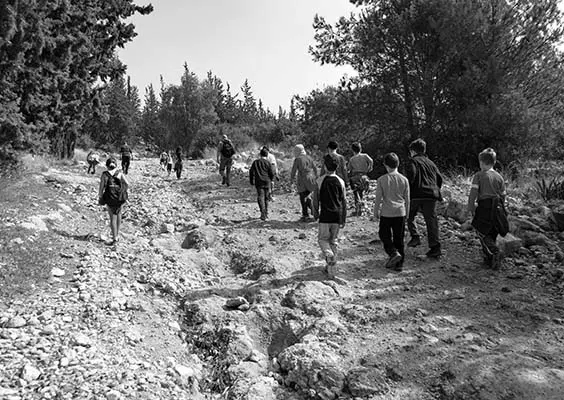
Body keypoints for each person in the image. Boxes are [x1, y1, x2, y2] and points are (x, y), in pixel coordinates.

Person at [467, 148, 508, 270]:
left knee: (481, 232)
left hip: (484, 207)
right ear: (494, 162)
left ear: (481, 162)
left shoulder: (479, 175)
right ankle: (489, 260)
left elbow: (473, 193)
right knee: (493, 232)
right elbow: (503, 195)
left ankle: (495, 252)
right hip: (498, 207)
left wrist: (471, 208)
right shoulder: (499, 177)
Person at [405, 138, 443, 258]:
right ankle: (435, 247)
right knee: (431, 220)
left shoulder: (413, 161)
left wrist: (407, 192)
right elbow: (439, 178)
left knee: (409, 215)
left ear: (413, 151)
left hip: (416, 193)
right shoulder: (431, 163)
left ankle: (415, 236)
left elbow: (411, 176)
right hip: (431, 194)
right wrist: (436, 189)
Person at [373, 153, 410, 271]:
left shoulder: (382, 180)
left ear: (385, 165)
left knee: (384, 235)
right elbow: (407, 199)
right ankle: (400, 264)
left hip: (386, 212)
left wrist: (375, 213)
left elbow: (378, 198)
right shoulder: (404, 179)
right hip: (400, 212)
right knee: (399, 238)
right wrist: (407, 213)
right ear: (398, 164)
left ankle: (393, 253)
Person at [312, 154, 347, 279]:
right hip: (337, 216)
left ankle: (328, 253)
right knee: (333, 241)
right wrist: (343, 218)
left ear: (325, 167)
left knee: (323, 240)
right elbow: (344, 201)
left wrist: (315, 213)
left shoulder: (320, 181)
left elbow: (315, 200)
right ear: (337, 167)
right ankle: (331, 270)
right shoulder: (341, 181)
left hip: (325, 216)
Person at [98, 157, 128, 245]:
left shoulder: (105, 174)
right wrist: (123, 191)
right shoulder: (120, 173)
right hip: (119, 197)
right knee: (119, 215)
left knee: (112, 218)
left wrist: (100, 197)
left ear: (107, 166)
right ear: (116, 165)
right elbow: (127, 183)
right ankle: (117, 235)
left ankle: (114, 238)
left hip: (109, 197)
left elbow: (101, 187)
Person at [290, 144, 318, 222]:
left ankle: (305, 215)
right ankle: (314, 211)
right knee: (309, 194)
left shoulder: (297, 159)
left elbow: (294, 170)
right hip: (311, 177)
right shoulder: (309, 157)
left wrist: (292, 180)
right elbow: (315, 168)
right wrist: (316, 177)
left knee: (303, 197)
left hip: (302, 179)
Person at [348, 142, 373, 216]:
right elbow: (371, 161)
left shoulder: (352, 159)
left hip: (355, 177)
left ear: (353, 150)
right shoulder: (365, 156)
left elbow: (349, 169)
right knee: (362, 192)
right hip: (364, 176)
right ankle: (362, 208)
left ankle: (358, 209)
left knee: (356, 193)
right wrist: (370, 168)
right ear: (360, 149)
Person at [249, 148, 275, 220]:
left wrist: (251, 181)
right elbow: (271, 172)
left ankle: (263, 213)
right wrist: (272, 180)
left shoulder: (255, 162)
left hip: (259, 182)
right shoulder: (268, 162)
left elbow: (251, 172)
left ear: (260, 154)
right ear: (267, 155)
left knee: (260, 197)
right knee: (266, 198)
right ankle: (266, 213)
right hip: (267, 181)